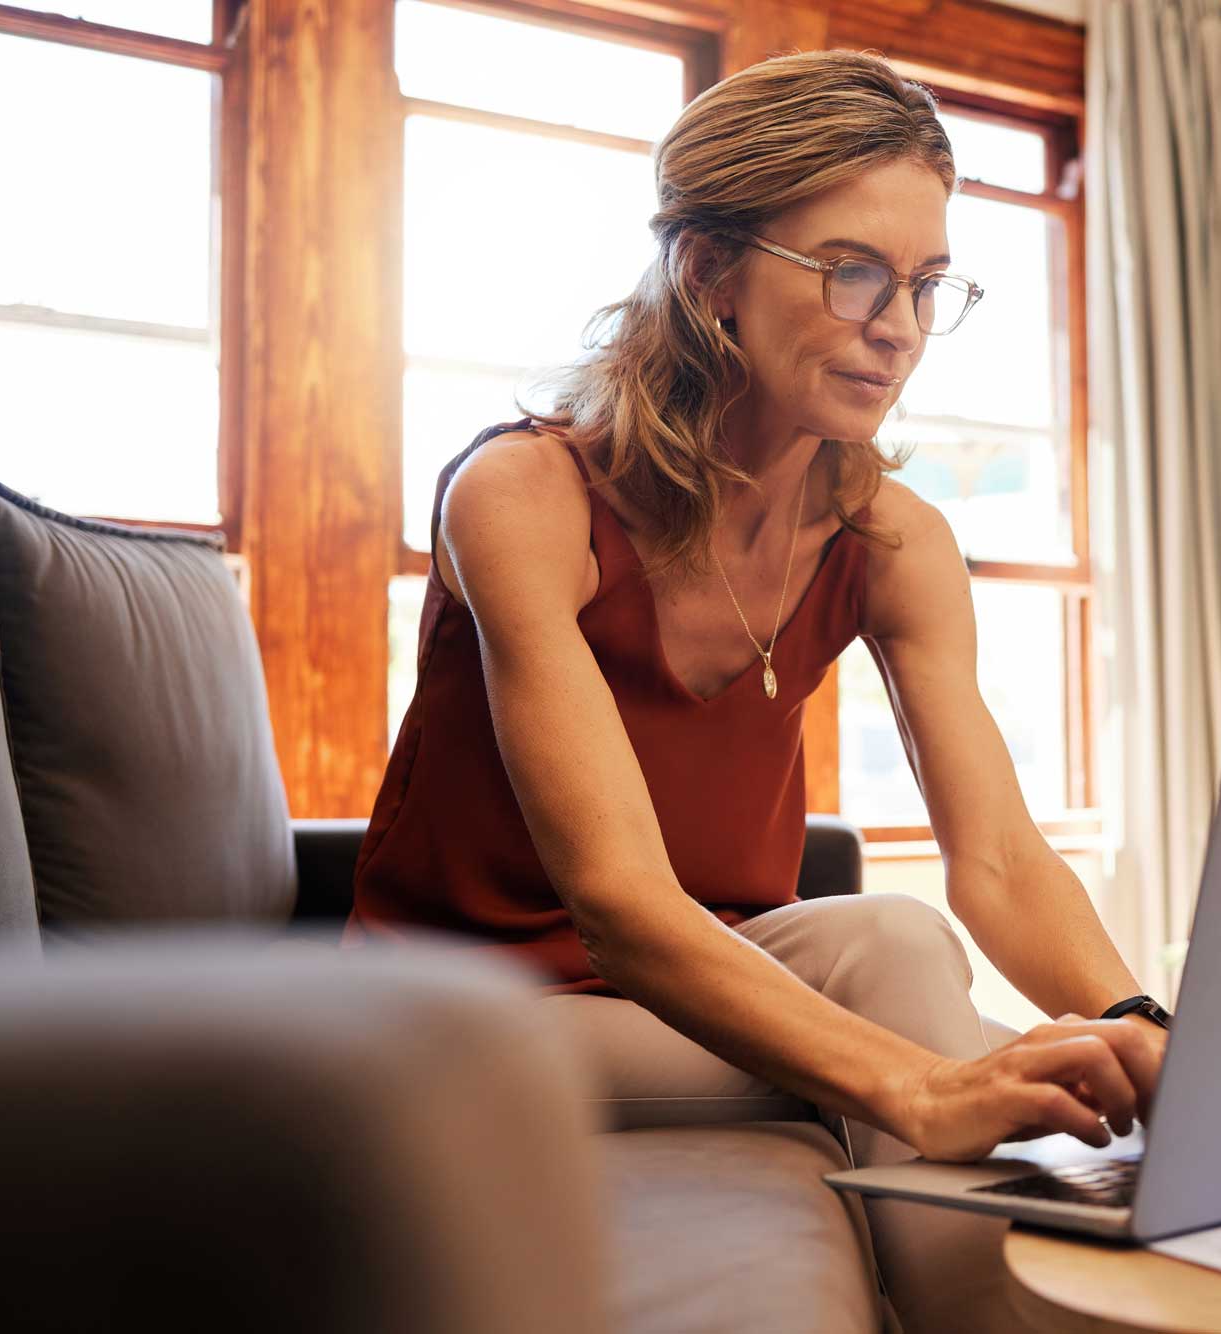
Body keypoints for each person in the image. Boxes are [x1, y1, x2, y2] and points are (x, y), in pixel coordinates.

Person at [343, 49, 1166, 1332]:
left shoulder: (892, 539)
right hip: (478, 1012)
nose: (895, 322)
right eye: (851, 270)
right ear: (707, 270)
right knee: (911, 1038)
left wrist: (1137, 1023)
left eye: (926, 283)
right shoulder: (525, 497)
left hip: (725, 975)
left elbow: (998, 861)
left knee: (891, 936)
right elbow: (614, 906)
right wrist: (931, 1083)